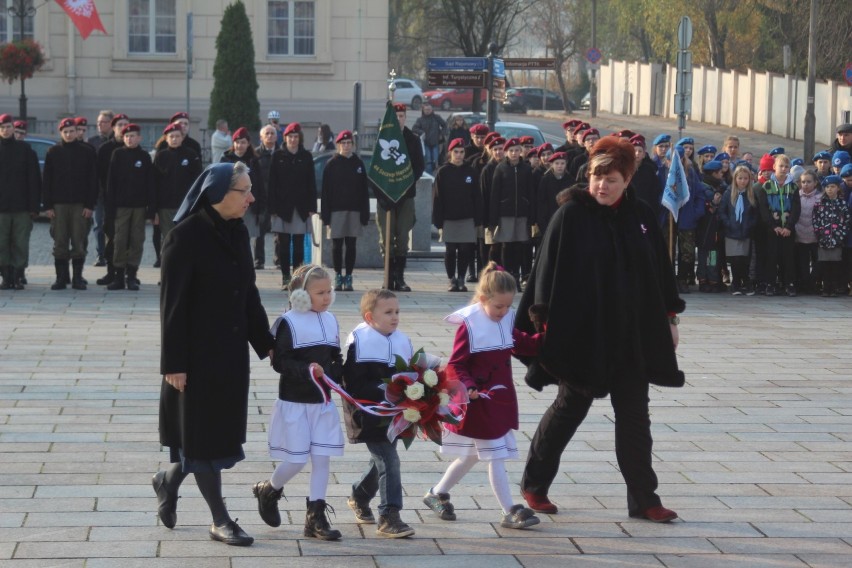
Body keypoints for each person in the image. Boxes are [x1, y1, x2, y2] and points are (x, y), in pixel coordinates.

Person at [516, 136, 685, 523]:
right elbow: (544, 273)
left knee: (635, 417)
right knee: (568, 409)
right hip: (582, 336)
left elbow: (659, 272)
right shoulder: (571, 215)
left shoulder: (641, 216)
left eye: (611, 179)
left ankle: (644, 499)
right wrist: (542, 325)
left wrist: (670, 318)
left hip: (631, 336)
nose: (602, 186)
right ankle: (535, 484)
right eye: (597, 177)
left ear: (627, 179)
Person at [155, 161, 274, 547]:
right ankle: (219, 519)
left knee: (212, 437)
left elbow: (248, 294)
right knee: (202, 439)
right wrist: (173, 364)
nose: (252, 198)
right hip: (194, 359)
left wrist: (269, 344)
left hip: (230, 355)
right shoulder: (183, 237)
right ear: (219, 194)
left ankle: (167, 480)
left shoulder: (238, 231)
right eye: (245, 191)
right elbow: (171, 307)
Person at [423, 262, 542, 530]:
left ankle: (436, 493)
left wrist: (545, 338)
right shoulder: (470, 324)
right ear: (483, 298)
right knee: (495, 454)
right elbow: (456, 363)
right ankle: (510, 510)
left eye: (508, 306)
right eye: (498, 306)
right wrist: (468, 386)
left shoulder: (506, 318)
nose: (503, 312)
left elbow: (520, 341)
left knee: (471, 456)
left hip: (499, 399)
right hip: (478, 401)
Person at [252, 264, 345, 541]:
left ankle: (315, 517)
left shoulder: (330, 319)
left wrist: (336, 376)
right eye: (320, 292)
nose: (327, 297)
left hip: (322, 403)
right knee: (295, 459)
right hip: (295, 402)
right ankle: (269, 489)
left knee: (322, 459)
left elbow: (336, 356)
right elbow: (279, 361)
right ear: (301, 295)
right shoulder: (288, 322)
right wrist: (307, 371)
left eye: (329, 291)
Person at [341, 289, 425, 538]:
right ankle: (389, 515)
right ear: (370, 317)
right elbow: (353, 384)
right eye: (388, 312)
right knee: (389, 460)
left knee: (382, 462)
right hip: (368, 412)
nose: (395, 317)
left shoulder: (402, 339)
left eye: (397, 311)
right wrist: (388, 390)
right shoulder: (359, 341)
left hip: (394, 412)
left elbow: (413, 373)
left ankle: (358, 496)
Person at [42, 117, 98, 291]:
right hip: (59, 205)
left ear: (77, 132)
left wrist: (90, 205)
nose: (69, 134)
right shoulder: (53, 152)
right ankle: (61, 278)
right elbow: (47, 181)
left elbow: (93, 180)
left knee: (78, 241)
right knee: (60, 241)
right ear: (61, 133)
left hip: (80, 205)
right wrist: (48, 206)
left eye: (72, 131)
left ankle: (77, 278)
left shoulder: (87, 152)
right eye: (65, 132)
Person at [376, 104, 425, 292]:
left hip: (405, 196)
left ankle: (400, 278)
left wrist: (404, 184)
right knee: (386, 239)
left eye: (402, 115)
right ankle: (387, 278)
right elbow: (376, 170)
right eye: (396, 116)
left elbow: (419, 167)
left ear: (406, 117)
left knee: (402, 238)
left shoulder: (412, 140)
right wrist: (384, 194)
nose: (399, 119)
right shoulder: (383, 138)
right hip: (386, 199)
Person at [104, 123, 155, 291]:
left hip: (139, 207)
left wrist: (151, 209)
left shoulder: (145, 157)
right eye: (126, 136)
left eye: (133, 136)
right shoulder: (117, 155)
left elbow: (150, 184)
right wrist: (110, 207)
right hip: (121, 206)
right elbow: (111, 183)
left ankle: (132, 276)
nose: (129, 139)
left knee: (136, 240)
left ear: (139, 138)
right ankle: (118, 276)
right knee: (119, 240)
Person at [268, 122, 316, 287]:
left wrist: (312, 207)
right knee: (283, 244)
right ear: (285, 138)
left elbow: (311, 183)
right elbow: (271, 183)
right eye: (290, 136)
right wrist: (272, 208)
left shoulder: (306, 156)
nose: (293, 140)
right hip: (282, 207)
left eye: (296, 137)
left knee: (298, 246)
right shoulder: (278, 156)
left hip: (301, 206)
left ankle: (297, 277)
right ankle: (285, 277)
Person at [321, 130, 369, 292]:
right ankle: (337, 274)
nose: (346, 146)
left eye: (349, 143)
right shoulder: (331, 164)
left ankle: (348, 276)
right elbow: (325, 191)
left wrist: (365, 213)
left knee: (351, 244)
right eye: (343, 143)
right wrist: (325, 215)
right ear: (338, 145)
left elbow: (364, 191)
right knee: (336, 245)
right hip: (336, 210)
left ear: (353, 145)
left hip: (354, 210)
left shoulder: (358, 163)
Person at [432, 138, 481, 292]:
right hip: (449, 217)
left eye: (461, 152)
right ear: (450, 153)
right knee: (451, 250)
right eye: (456, 152)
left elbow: (476, 196)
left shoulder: (471, 171)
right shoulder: (443, 172)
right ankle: (451, 279)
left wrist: (477, 218)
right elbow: (437, 198)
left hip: (467, 217)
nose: (459, 155)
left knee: (466, 249)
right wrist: (438, 221)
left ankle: (461, 278)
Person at [0, 113, 40, 290]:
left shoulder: (25, 150)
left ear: (13, 128)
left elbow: (34, 180)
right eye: (2, 128)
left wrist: (34, 206)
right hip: (1, 208)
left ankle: (17, 276)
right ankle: (5, 277)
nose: (5, 130)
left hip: (21, 206)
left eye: (8, 127)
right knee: (1, 243)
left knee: (20, 243)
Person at [220, 127, 266, 268]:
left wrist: (260, 205)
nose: (240, 145)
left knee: (247, 235)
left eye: (243, 142)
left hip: (248, 204)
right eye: (237, 142)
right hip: (231, 204)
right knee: (230, 235)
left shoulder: (253, 161)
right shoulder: (226, 159)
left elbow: (259, 184)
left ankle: (246, 261)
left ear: (248, 144)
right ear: (233, 143)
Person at [490, 138, 533, 285]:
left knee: (520, 244)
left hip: (522, 213)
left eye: (516, 150)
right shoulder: (501, 168)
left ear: (520, 151)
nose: (514, 153)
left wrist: (530, 213)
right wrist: (493, 218)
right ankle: (507, 274)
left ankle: (517, 273)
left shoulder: (526, 168)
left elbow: (530, 192)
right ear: (507, 152)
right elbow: (495, 194)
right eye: (511, 151)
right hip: (505, 212)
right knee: (506, 245)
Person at [757, 154, 801, 296]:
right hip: (773, 229)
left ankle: (789, 284)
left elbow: (796, 208)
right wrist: (773, 226)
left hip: (788, 229)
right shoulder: (767, 186)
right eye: (780, 166)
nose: (783, 169)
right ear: (774, 167)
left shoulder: (793, 187)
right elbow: (763, 209)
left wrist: (789, 226)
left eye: (786, 166)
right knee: (772, 257)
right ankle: (770, 283)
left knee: (788, 257)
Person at [153, 122, 202, 247]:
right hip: (165, 206)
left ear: (182, 137)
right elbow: (155, 183)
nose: (174, 139)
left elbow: (198, 180)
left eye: (177, 136)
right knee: (168, 237)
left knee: (185, 236)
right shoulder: (160, 156)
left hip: (185, 205)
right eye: (171, 136)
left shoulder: (191, 154)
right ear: (166, 138)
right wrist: (154, 209)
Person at [94, 113, 130, 285]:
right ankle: (111, 271)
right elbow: (99, 174)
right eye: (119, 124)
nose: (123, 127)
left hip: (129, 201)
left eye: (125, 124)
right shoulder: (105, 149)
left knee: (128, 237)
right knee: (110, 234)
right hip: (109, 200)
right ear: (113, 127)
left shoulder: (133, 148)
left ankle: (128, 273)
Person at [719, 164, 759, 295]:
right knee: (735, 259)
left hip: (746, 231)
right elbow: (722, 211)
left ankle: (746, 283)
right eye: (740, 178)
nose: (743, 181)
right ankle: (735, 283)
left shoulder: (751, 194)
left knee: (744, 259)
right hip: (732, 232)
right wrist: (728, 223)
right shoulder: (728, 193)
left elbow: (755, 213)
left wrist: (751, 224)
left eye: (746, 178)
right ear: (735, 179)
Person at [812, 175, 848, 297]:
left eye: (832, 187)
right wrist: (819, 233)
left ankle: (834, 288)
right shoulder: (820, 204)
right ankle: (825, 287)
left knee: (835, 264)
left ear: (838, 188)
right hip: (823, 239)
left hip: (837, 239)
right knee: (825, 264)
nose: (829, 189)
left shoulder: (842, 204)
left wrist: (841, 235)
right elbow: (815, 220)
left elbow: (846, 221)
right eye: (827, 187)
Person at [88, 110, 114, 267]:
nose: (99, 125)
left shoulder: (117, 141)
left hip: (113, 191)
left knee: (112, 224)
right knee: (98, 224)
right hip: (98, 190)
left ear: (111, 123)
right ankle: (100, 254)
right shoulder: (92, 142)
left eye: (103, 122)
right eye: (98, 122)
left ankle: (113, 254)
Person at [253, 124, 281, 270]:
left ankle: (279, 260)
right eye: (267, 134)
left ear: (276, 137)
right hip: (261, 199)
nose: (270, 136)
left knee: (279, 232)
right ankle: (259, 260)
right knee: (259, 232)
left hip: (277, 198)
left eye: (272, 133)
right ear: (261, 137)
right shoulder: (256, 154)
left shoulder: (281, 153)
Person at [793, 169, 822, 294]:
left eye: (809, 182)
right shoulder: (796, 196)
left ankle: (813, 283)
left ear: (815, 183)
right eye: (803, 182)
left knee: (817, 262)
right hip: (800, 235)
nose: (806, 184)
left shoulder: (820, 198)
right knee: (802, 263)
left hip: (815, 236)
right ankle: (805, 285)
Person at [412, 102, 446, 175]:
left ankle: (436, 175)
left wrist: (441, 134)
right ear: (423, 110)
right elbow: (414, 128)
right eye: (426, 109)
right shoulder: (420, 119)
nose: (427, 111)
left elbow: (445, 125)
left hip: (436, 142)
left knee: (435, 160)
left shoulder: (437, 117)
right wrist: (421, 132)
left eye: (429, 109)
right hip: (425, 143)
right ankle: (429, 176)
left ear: (432, 109)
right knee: (428, 160)